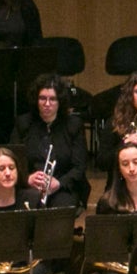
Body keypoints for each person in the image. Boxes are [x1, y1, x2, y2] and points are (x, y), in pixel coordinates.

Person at [12, 76, 90, 208]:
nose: (47, 104)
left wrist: (58, 183)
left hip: (63, 185)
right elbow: (13, 159)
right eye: (42, 98)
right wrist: (27, 179)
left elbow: (79, 166)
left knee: (61, 208)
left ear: (60, 102)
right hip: (30, 185)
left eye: (52, 99)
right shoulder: (23, 123)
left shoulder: (73, 125)